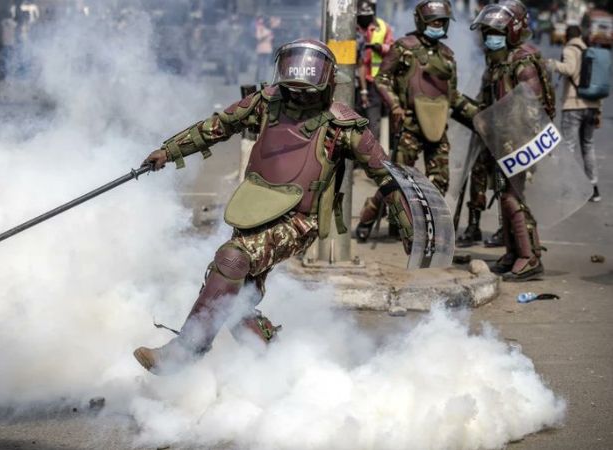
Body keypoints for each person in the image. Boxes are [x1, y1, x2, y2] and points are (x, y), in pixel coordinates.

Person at [134, 39, 414, 375]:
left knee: (232, 258)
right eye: (291, 88)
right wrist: (169, 151)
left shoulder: (343, 125)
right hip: (255, 210)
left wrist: (410, 228)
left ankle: (183, 353)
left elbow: (387, 176)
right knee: (233, 295)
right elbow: (218, 125)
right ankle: (277, 369)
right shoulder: (267, 103)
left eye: (305, 90)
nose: (297, 96)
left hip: (299, 221)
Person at [356, 0, 478, 242]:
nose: (438, 25)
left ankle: (425, 229)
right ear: (422, 22)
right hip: (409, 126)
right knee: (397, 180)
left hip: (436, 125)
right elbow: (382, 80)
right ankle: (369, 215)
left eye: (442, 22)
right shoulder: (404, 48)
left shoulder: (447, 56)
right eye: (434, 21)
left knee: (439, 181)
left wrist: (478, 115)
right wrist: (395, 106)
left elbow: (451, 96)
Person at [468, 0, 556, 281]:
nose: (489, 37)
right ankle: (513, 251)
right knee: (502, 194)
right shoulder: (498, 61)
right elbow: (487, 102)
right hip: (500, 140)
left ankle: (530, 257)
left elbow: (533, 107)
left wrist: (518, 140)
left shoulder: (523, 60)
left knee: (511, 198)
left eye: (495, 31)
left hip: (520, 142)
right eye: (487, 32)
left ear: (513, 30)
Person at [546, 25, 603, 202]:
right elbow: (598, 82)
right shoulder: (591, 52)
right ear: (580, 35)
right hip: (591, 105)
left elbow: (569, 69)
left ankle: (568, 188)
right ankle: (594, 188)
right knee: (588, 146)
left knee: (568, 147)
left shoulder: (569, 49)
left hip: (573, 105)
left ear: (566, 36)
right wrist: (598, 110)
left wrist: (552, 64)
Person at [355, 0, 394, 141]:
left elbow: (393, 49)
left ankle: (371, 155)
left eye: (367, 17)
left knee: (373, 121)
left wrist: (379, 47)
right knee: (351, 119)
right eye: (361, 17)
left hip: (373, 81)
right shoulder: (348, 26)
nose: (364, 21)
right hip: (352, 82)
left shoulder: (383, 27)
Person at [254, 16, 273, 82]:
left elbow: (271, 40)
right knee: (260, 65)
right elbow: (258, 38)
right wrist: (267, 35)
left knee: (265, 65)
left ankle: (263, 78)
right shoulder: (260, 30)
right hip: (261, 49)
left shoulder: (269, 31)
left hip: (267, 49)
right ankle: (259, 77)